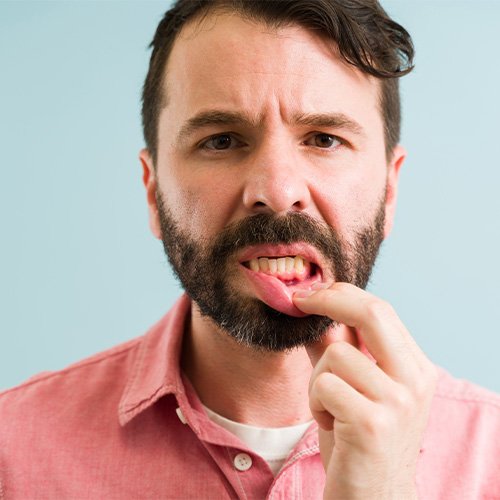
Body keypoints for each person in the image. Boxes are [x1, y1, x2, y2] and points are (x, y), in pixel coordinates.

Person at [1, 0, 499, 498]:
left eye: (324, 139)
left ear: (389, 191)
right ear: (154, 191)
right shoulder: (12, 451)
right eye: (221, 141)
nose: (278, 190)